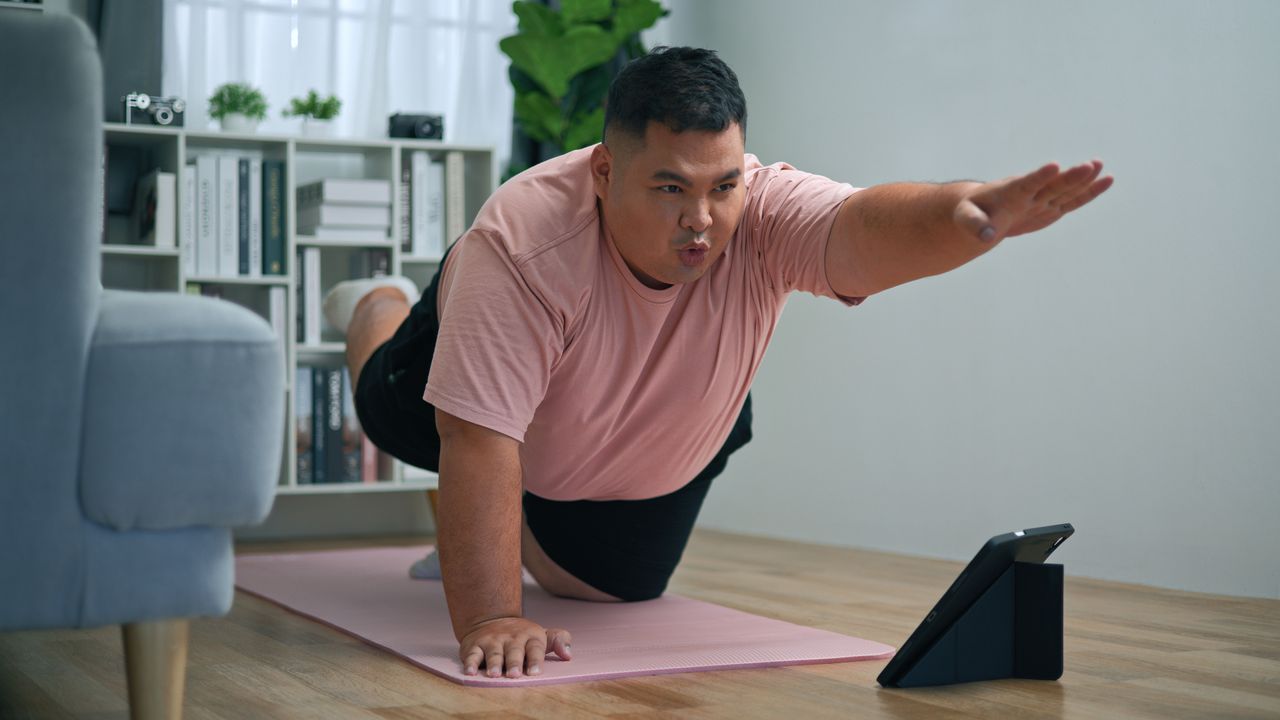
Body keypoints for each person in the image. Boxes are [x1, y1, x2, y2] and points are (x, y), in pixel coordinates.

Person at [320, 46, 1112, 681]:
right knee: (389, 414)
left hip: (640, 435)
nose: (702, 221)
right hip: (478, 402)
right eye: (670, 187)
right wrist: (491, 614)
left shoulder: (763, 209)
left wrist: (963, 216)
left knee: (616, 588)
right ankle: (371, 300)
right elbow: (478, 445)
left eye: (722, 185)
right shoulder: (521, 249)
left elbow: (859, 228)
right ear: (604, 172)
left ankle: (496, 524)